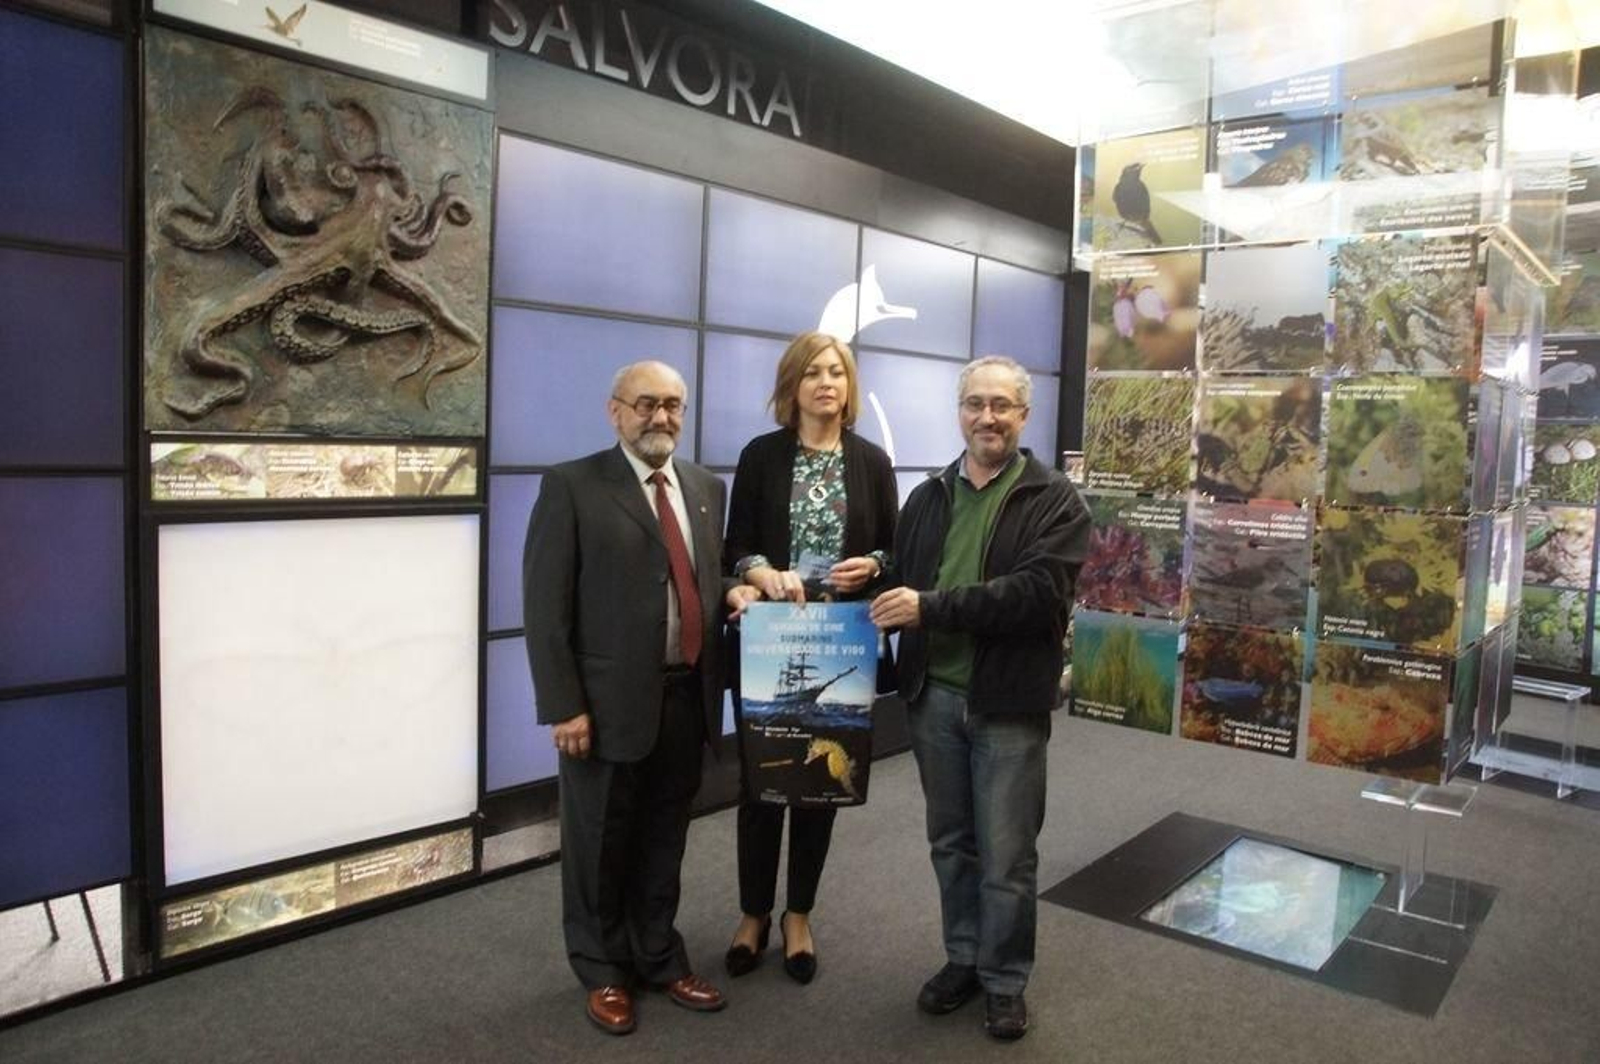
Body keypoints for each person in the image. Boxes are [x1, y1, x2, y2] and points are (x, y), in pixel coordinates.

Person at [868, 355, 1088, 1041]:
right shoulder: (930, 495)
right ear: (959, 411)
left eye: (1001, 405)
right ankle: (962, 956)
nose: (986, 417)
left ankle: (1003, 979)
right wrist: (876, 570)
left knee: (1008, 853)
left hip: (1007, 704)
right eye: (974, 404)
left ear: (1024, 415)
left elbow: (1037, 595)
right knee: (952, 843)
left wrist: (928, 608)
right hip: (934, 698)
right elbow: (911, 568)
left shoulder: (1056, 500)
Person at [523, 360, 733, 1036]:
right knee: (598, 845)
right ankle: (602, 970)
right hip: (604, 706)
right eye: (646, 404)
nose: (661, 417)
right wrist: (563, 705)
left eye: (673, 405)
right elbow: (544, 606)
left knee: (664, 839)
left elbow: (696, 573)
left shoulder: (703, 487)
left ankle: (658, 956)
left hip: (684, 698)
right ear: (616, 411)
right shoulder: (573, 485)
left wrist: (738, 586)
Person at [722, 331, 897, 984]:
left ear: (849, 387)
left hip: (840, 639)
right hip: (769, 635)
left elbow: (893, 550)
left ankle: (798, 915)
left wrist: (871, 566)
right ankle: (752, 914)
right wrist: (762, 571)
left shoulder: (872, 461)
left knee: (820, 782)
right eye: (814, 373)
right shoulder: (762, 456)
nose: (827, 383)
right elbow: (735, 546)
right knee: (762, 778)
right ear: (791, 385)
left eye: (838, 372)